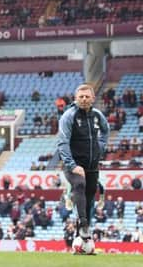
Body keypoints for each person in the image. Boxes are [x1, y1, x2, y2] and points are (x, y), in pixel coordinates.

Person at [57, 84, 109, 241]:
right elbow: (63, 142)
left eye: (87, 96)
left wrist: (101, 146)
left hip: (92, 165)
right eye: (81, 96)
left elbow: (105, 131)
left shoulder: (98, 115)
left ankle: (82, 238)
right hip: (73, 165)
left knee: (90, 195)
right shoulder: (69, 116)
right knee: (79, 185)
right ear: (75, 98)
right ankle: (84, 225)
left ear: (93, 98)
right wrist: (72, 165)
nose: (84, 99)